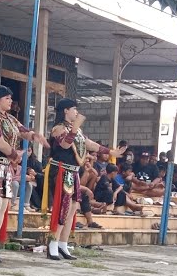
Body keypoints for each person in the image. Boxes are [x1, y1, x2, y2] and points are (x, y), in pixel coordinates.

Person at [0, 85, 50, 263]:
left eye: (11, 98)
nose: (11, 101)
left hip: (6, 166)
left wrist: (34, 136)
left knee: (3, 206)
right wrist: (14, 154)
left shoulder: (10, 119)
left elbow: (23, 131)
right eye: (7, 98)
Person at [46, 98, 125, 260]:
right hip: (61, 170)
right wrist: (75, 128)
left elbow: (89, 144)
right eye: (73, 109)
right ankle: (52, 243)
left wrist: (111, 152)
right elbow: (66, 145)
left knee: (73, 206)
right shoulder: (58, 128)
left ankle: (63, 243)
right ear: (66, 111)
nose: (76, 112)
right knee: (64, 207)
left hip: (73, 172)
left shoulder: (76, 130)